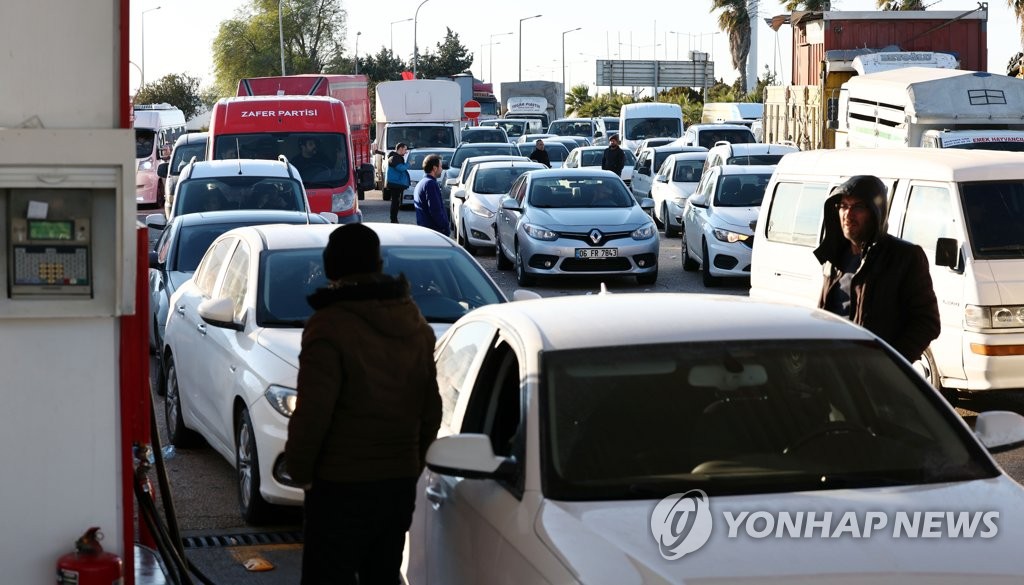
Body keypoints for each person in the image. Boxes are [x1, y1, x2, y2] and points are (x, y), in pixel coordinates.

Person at [285, 223, 441, 585]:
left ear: (331, 266)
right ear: (378, 263)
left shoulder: (329, 327)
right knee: (383, 575)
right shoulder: (413, 321)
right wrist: (411, 463)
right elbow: (430, 410)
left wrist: (302, 471)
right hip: (397, 483)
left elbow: (313, 413)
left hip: (340, 485)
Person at [813, 175, 940, 363]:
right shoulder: (834, 257)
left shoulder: (904, 257)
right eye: (844, 206)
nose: (848, 215)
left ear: (875, 212)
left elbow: (927, 322)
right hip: (834, 373)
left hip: (875, 378)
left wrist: (891, 365)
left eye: (857, 207)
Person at [412, 153, 450, 236]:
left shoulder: (421, 183)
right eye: (440, 166)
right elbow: (435, 210)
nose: (442, 169)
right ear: (435, 168)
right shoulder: (430, 184)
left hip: (425, 231)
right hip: (435, 233)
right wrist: (444, 226)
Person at [384, 143, 411, 223]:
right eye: (405, 149)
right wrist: (409, 164)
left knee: (396, 202)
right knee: (395, 202)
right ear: (400, 149)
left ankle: (394, 219)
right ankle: (393, 220)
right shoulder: (395, 158)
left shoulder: (395, 157)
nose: (406, 152)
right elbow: (401, 168)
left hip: (396, 183)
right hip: (395, 183)